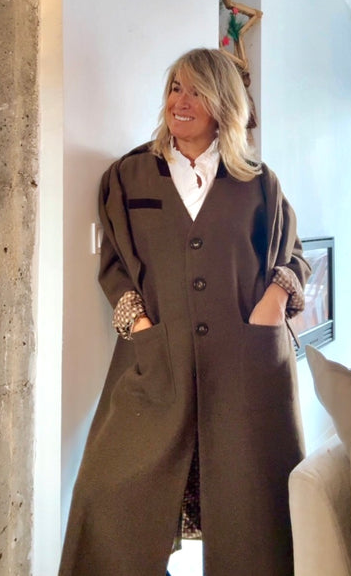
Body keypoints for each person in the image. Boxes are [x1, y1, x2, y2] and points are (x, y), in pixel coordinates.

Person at [59, 48, 311, 576]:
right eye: (176, 88)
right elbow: (114, 264)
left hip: (245, 368)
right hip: (156, 362)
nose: (182, 101)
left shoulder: (257, 182)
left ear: (224, 104)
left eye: (197, 91)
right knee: (110, 499)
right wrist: (139, 325)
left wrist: (272, 304)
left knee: (253, 515)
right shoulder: (128, 176)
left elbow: (293, 255)